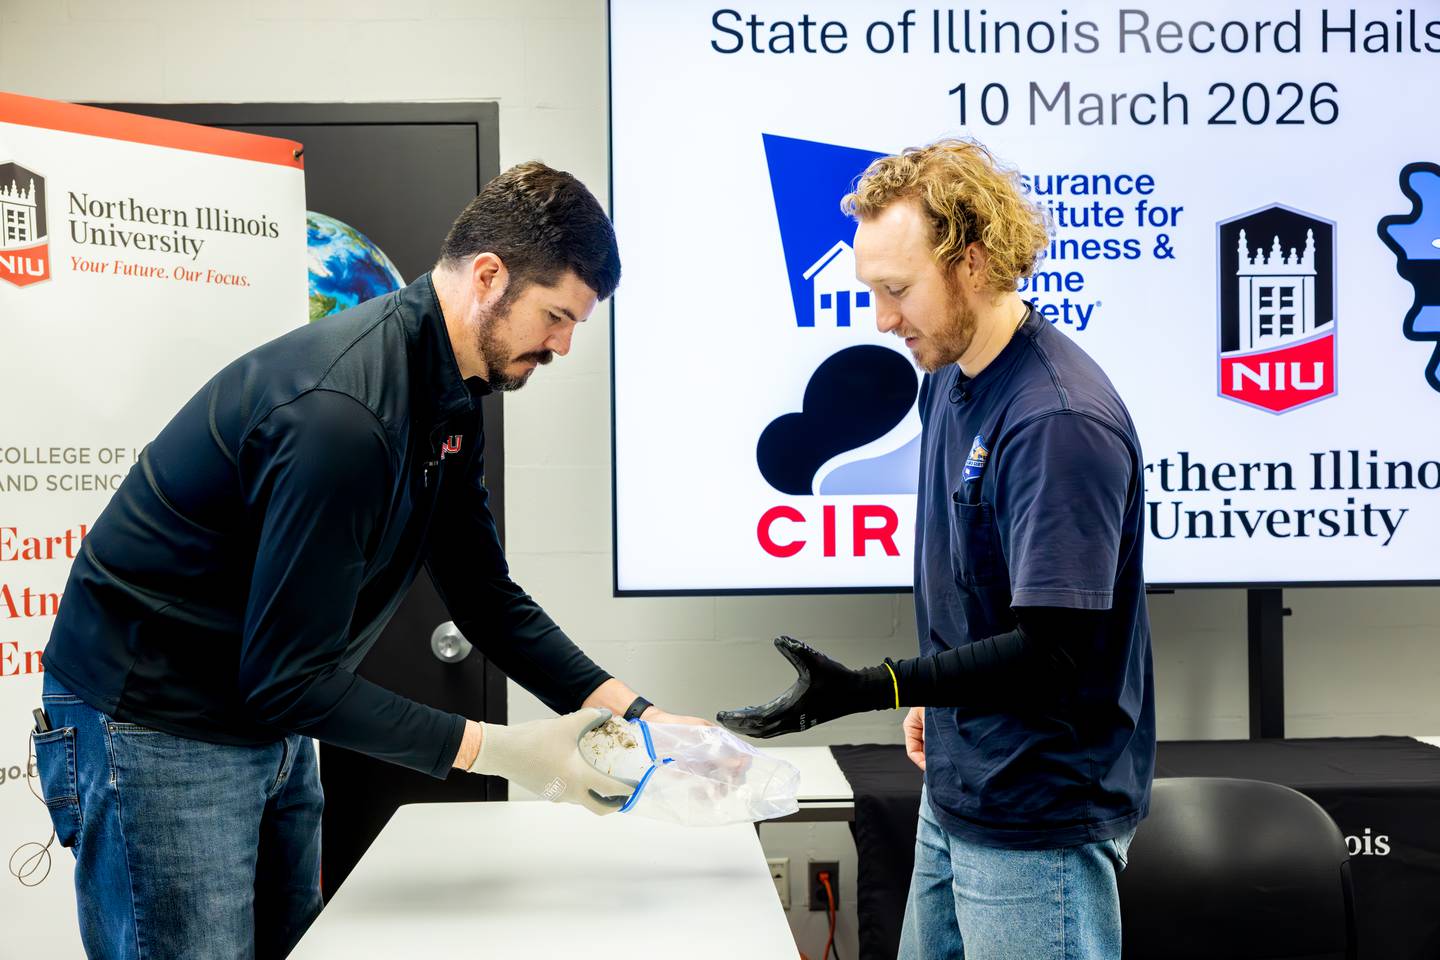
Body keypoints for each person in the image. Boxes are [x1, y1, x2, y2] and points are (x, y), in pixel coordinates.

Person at [35, 161, 704, 960]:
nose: (561, 344)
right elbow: (287, 676)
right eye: (557, 316)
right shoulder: (342, 415)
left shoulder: (449, 392)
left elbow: (483, 593)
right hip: (153, 719)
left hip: (264, 717)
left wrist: (639, 715)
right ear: (489, 276)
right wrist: (503, 751)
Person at [718, 139, 1155, 960]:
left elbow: (1054, 652)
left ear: (975, 262)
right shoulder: (949, 382)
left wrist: (876, 686)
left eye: (897, 291)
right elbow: (980, 588)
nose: (882, 321)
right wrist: (939, 693)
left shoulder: (1057, 421)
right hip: (959, 788)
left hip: (1036, 816)